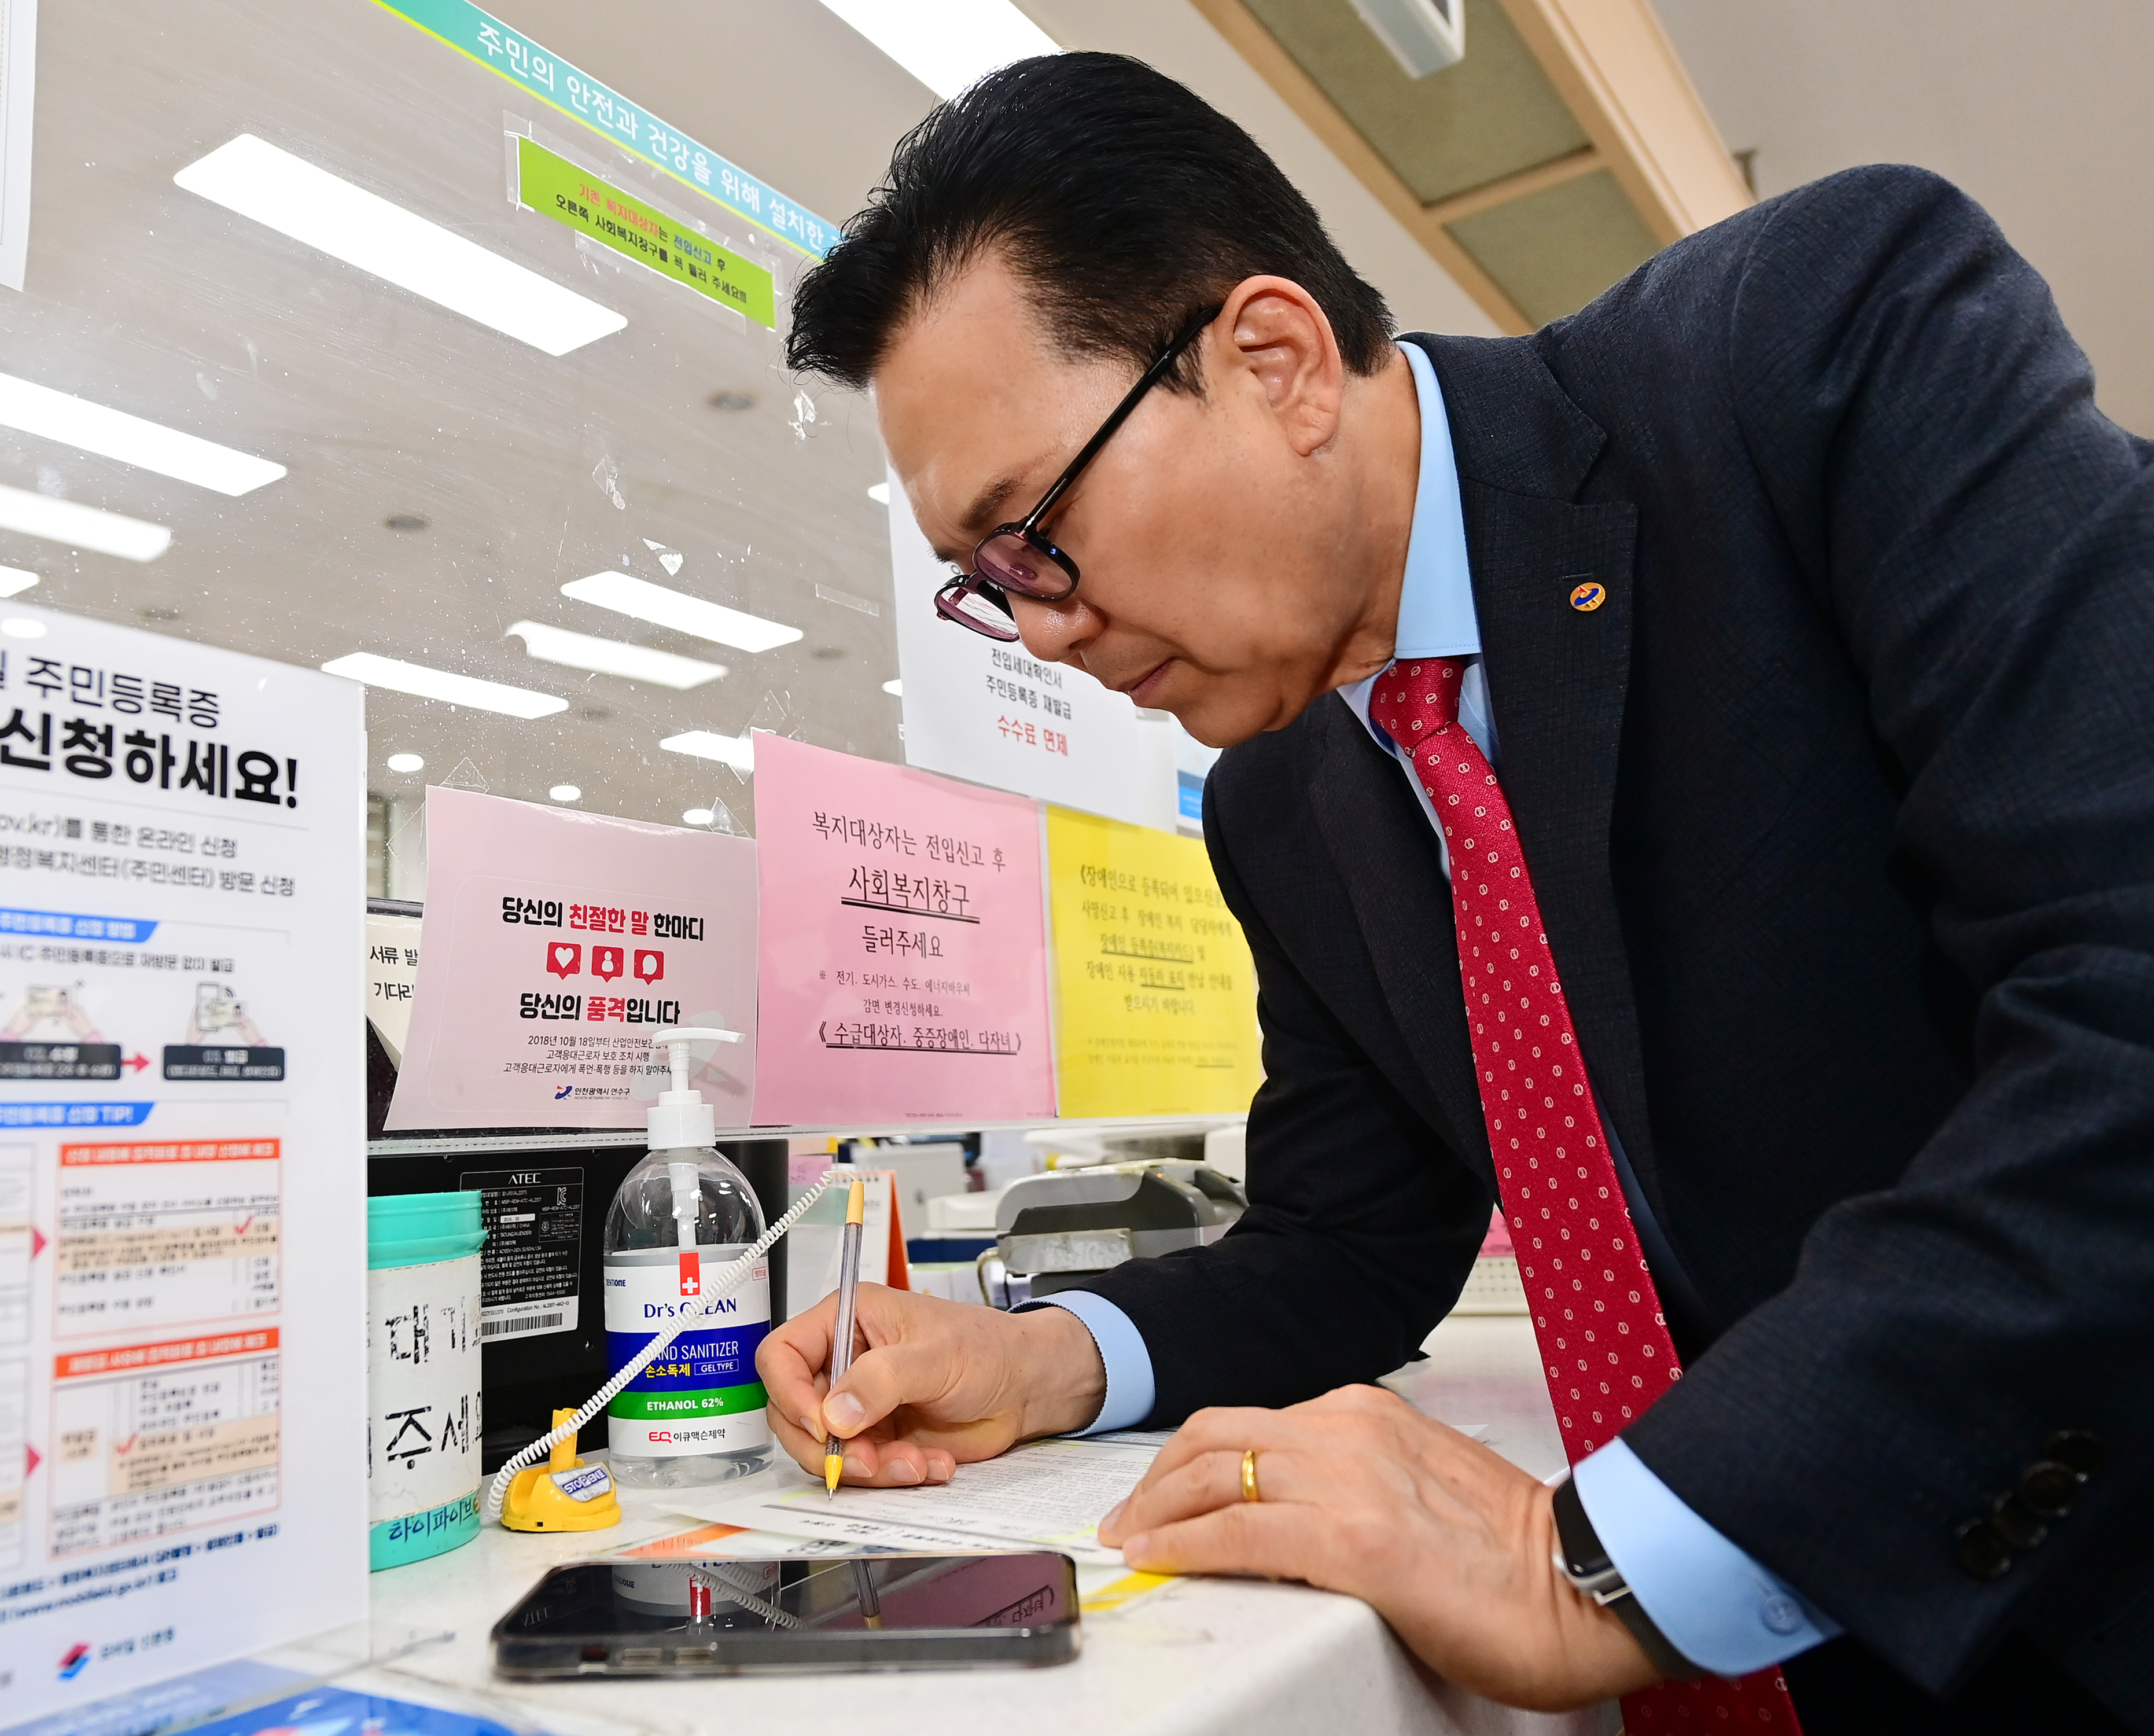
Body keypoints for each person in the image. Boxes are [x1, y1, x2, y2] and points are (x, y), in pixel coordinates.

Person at [759, 52, 2151, 1736]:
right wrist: (1051, 1358)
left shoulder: (1807, 350)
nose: (1038, 623)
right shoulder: (1283, 798)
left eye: (1032, 530)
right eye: (984, 588)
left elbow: (2120, 1006)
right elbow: (1350, 1241)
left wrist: (1608, 1563)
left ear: (1270, 360)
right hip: (1825, 1645)